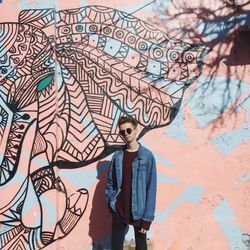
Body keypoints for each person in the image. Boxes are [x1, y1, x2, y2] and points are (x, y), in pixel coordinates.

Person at [105, 116, 157, 250]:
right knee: (115, 247)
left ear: (135, 129)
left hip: (139, 211)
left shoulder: (147, 156)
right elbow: (110, 182)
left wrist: (147, 218)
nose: (126, 134)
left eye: (128, 130)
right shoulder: (117, 156)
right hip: (119, 210)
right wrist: (111, 203)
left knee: (141, 246)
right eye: (122, 132)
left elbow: (151, 188)